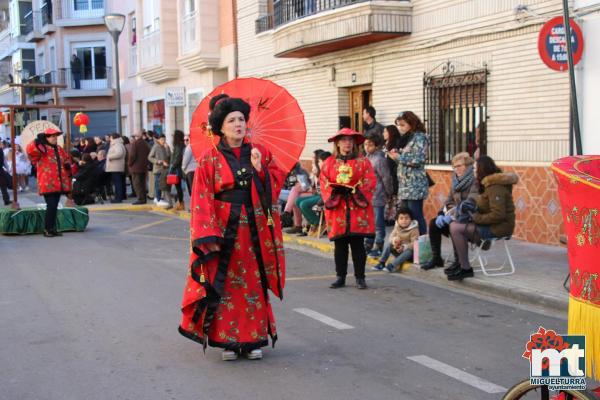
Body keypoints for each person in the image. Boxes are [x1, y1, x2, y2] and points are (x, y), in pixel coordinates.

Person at [179, 97, 287, 361]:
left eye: (241, 119)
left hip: (254, 230)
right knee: (224, 284)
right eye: (231, 120)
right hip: (223, 231)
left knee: (253, 281)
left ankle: (251, 341)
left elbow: (274, 188)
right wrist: (208, 235)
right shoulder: (208, 159)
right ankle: (228, 341)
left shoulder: (260, 152)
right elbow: (201, 198)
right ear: (220, 127)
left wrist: (260, 170)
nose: (238, 124)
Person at [320, 128, 376, 290]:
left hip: (356, 207)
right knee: (340, 245)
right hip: (338, 208)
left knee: (358, 244)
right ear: (337, 143)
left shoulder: (363, 162)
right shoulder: (329, 162)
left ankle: (360, 277)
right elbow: (323, 182)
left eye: (350, 141)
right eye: (344, 140)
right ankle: (340, 277)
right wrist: (335, 192)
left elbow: (370, 181)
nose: (347, 143)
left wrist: (356, 191)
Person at [447, 156, 518, 280]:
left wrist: (476, 218)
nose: (473, 171)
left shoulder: (495, 187)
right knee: (454, 224)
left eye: (475, 168)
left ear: (482, 169)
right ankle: (462, 265)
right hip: (490, 224)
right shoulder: (487, 184)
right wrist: (470, 210)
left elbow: (498, 215)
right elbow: (485, 207)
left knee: (456, 228)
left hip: (499, 228)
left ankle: (465, 267)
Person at [421, 152, 479, 271]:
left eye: (459, 166)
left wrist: (452, 215)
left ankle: (459, 261)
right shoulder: (456, 181)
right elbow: (448, 201)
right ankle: (437, 259)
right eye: (454, 166)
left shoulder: (475, 181)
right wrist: (441, 214)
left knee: (453, 225)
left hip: (469, 218)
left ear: (468, 166)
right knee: (433, 224)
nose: (456, 169)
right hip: (456, 215)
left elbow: (470, 203)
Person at [388, 111, 429, 235]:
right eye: (399, 125)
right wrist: (396, 153)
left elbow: (418, 160)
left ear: (411, 123)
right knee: (406, 217)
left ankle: (422, 248)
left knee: (416, 216)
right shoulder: (407, 138)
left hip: (415, 184)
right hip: (404, 184)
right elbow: (405, 156)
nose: (400, 128)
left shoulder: (420, 137)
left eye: (403, 125)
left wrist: (398, 157)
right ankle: (410, 246)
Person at [26, 128, 72, 237]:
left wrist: (67, 165)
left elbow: (66, 159)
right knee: (51, 206)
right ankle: (47, 229)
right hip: (47, 183)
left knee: (54, 206)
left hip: (58, 183)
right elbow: (30, 150)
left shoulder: (59, 149)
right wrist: (37, 141)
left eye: (56, 136)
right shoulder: (42, 149)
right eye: (52, 136)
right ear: (46, 138)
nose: (55, 137)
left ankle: (52, 228)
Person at [363, 133, 394, 257]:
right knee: (369, 221)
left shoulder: (379, 159)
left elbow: (386, 177)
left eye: (370, 144)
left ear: (376, 146)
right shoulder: (366, 157)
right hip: (367, 194)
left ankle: (379, 244)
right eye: (365, 144)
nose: (367, 147)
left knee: (378, 221)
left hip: (378, 194)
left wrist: (389, 192)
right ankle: (369, 243)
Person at [372, 207, 419, 272]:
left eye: (407, 218)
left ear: (411, 219)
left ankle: (392, 265)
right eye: (401, 218)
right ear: (397, 220)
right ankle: (381, 263)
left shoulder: (414, 229)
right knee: (388, 244)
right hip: (398, 250)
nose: (404, 220)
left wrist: (404, 247)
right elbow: (391, 237)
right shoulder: (397, 227)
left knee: (409, 251)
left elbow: (415, 243)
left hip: (410, 255)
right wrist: (394, 240)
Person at [296, 150, 330, 236]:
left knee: (304, 204)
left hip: (324, 196)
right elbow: (314, 187)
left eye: (319, 161)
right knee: (298, 201)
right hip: (317, 195)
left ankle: (317, 222)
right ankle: (314, 222)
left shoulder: (328, 171)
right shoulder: (318, 171)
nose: (317, 162)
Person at [283, 163, 312, 235]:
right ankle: (297, 225)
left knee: (295, 190)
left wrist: (298, 183)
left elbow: (306, 187)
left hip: (309, 192)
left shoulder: (301, 173)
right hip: (292, 194)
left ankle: (287, 213)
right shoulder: (287, 173)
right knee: (294, 198)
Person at [128, 131, 151, 204]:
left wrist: (129, 163)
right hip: (143, 167)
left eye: (134, 137)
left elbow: (132, 156)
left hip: (136, 167)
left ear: (136, 137)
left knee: (137, 184)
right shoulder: (145, 143)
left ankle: (140, 199)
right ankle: (143, 199)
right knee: (142, 184)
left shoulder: (135, 144)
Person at [148, 134, 171, 206]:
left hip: (164, 169)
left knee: (161, 185)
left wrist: (167, 148)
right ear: (158, 140)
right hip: (158, 169)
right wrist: (158, 161)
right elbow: (149, 157)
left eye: (164, 139)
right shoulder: (155, 147)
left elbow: (168, 156)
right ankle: (158, 199)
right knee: (158, 185)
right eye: (162, 140)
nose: (163, 141)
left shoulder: (165, 146)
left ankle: (158, 198)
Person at [166, 130, 186, 210]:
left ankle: (180, 203)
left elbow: (177, 158)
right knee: (178, 187)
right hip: (179, 168)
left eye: (174, 135)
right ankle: (180, 203)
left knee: (178, 187)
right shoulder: (181, 145)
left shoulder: (178, 146)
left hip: (177, 169)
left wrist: (172, 167)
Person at [105, 133, 126, 203]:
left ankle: (118, 198)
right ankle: (118, 197)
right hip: (116, 166)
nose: (109, 138)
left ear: (113, 137)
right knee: (118, 183)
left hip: (116, 167)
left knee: (117, 183)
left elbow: (119, 153)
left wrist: (109, 156)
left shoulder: (117, 144)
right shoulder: (117, 144)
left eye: (110, 137)